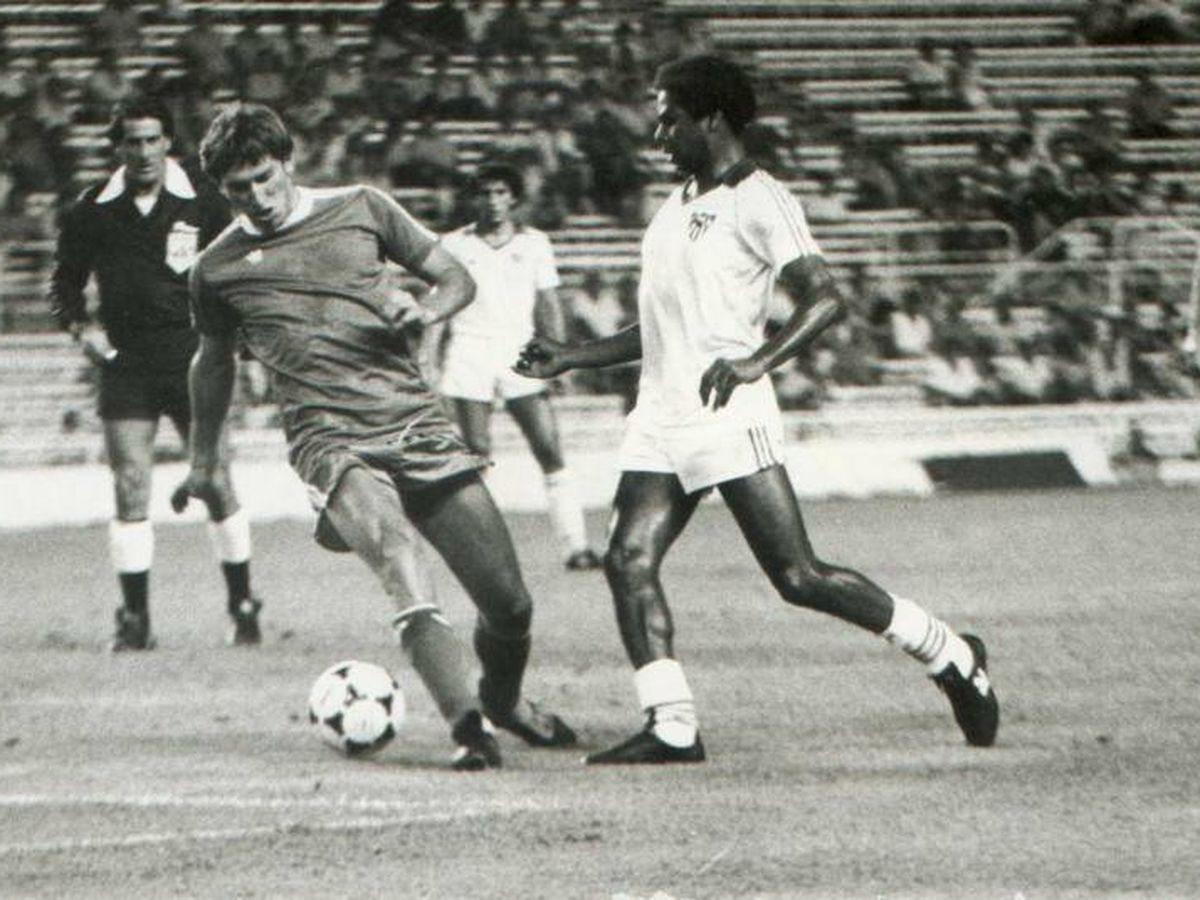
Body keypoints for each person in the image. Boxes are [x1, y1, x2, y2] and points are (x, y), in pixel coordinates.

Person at [516, 55, 999, 765]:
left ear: (711, 118)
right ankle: (673, 724)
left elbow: (827, 296)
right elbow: (658, 332)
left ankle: (949, 652)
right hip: (661, 414)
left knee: (798, 577)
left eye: (669, 117)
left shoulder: (758, 197)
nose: (657, 133)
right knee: (626, 559)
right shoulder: (675, 207)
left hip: (728, 410)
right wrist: (571, 356)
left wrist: (757, 361)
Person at [172, 103, 575, 770]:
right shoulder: (217, 269)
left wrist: (426, 309)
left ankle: (501, 700)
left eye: (266, 177)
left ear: (289, 161)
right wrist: (202, 460)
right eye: (239, 188)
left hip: (415, 422)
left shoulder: (363, 206)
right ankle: (470, 728)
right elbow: (211, 361)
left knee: (509, 605)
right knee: (397, 554)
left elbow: (456, 278)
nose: (258, 197)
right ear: (222, 189)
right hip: (328, 438)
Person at [49, 95, 262, 651]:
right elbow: (64, 284)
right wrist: (81, 328)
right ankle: (136, 617)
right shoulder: (92, 208)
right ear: (117, 147)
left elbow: (243, 272)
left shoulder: (205, 203)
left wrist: (248, 345)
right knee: (129, 483)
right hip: (127, 363)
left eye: (152, 139)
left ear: (169, 142)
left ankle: (242, 603)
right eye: (132, 141)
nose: (143, 151)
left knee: (215, 482)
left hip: (197, 357)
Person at [436, 162, 602, 571]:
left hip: (519, 351)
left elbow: (548, 303)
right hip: (469, 350)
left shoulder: (534, 243)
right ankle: (480, 552)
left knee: (548, 447)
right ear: (473, 198)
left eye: (500, 193)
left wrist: (559, 357)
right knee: (476, 454)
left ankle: (576, 547)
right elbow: (438, 305)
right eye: (484, 193)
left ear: (512, 198)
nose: (492, 201)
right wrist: (428, 359)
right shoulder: (453, 244)